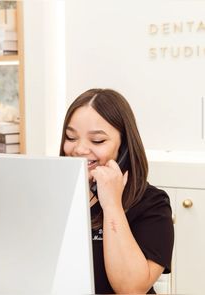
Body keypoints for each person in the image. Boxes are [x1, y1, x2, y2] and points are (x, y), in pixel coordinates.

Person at [59, 88, 174, 294]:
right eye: (71, 137)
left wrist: (112, 204)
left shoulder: (153, 204)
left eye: (97, 141)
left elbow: (131, 289)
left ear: (124, 147)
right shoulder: (56, 196)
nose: (79, 149)